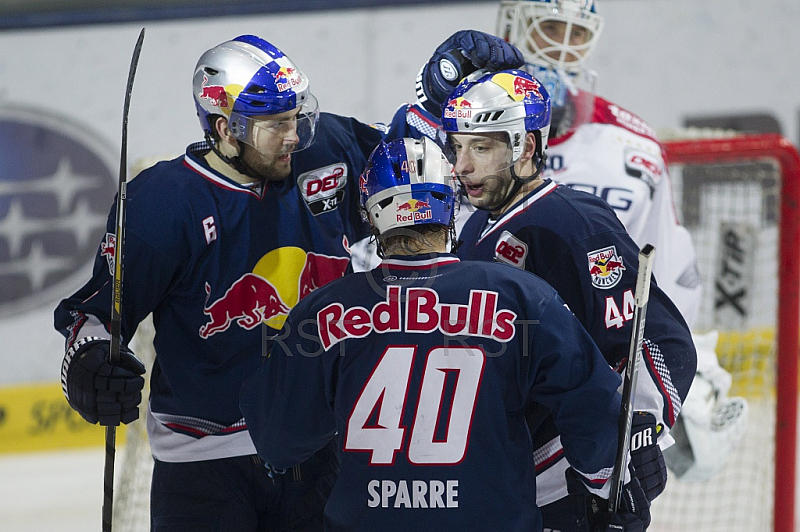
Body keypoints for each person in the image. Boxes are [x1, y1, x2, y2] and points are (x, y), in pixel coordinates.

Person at [55, 33, 523, 531]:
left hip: (321, 450)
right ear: (223, 128)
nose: (294, 135)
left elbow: (417, 160)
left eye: (296, 116)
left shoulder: (330, 152)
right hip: (203, 467)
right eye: (275, 124)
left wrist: (437, 100)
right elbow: (96, 315)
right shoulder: (163, 202)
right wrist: (87, 368)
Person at [240, 136, 650, 531]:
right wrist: (604, 484)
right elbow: (592, 405)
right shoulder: (520, 296)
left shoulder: (324, 311)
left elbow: (279, 441)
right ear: (449, 206)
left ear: (370, 215)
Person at [494, 0, 747, 486]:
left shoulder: (631, 150)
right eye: (549, 28)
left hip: (590, 392)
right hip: (490, 374)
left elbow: (663, 278)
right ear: (513, 24)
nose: (563, 48)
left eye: (577, 33)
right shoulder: (467, 132)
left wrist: (679, 377)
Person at [441, 68, 697, 531]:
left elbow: (656, 340)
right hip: (502, 474)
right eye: (458, 147)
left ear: (527, 147)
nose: (463, 166)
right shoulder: (475, 226)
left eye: (481, 147)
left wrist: (637, 431)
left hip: (570, 479)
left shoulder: (574, 225)